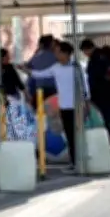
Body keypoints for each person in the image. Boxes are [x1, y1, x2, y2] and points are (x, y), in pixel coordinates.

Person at [27, 41, 80, 174]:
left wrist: (86, 101)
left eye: (58, 52)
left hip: (77, 106)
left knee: (77, 135)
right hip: (64, 106)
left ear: (65, 53)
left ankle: (78, 162)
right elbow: (40, 74)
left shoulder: (75, 68)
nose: (55, 54)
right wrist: (27, 70)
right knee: (69, 135)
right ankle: (74, 162)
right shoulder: (55, 68)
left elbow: (84, 86)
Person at [25, 35, 58, 101]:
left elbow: (27, 66)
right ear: (51, 43)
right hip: (53, 88)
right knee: (53, 109)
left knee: (41, 109)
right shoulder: (56, 56)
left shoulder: (35, 56)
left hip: (39, 89)